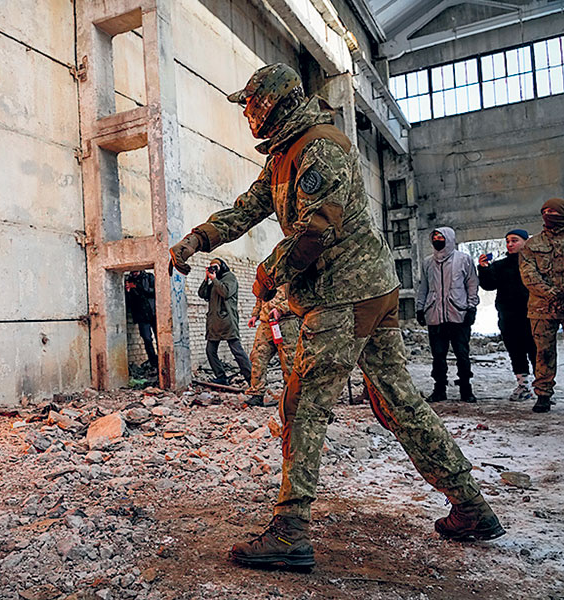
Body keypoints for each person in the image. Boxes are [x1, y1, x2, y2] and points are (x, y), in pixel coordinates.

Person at [168, 63, 502, 571]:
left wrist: (267, 273)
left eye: (250, 105)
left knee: (303, 405)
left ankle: (290, 531)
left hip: (344, 295)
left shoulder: (320, 147)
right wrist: (198, 238)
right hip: (367, 291)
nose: (246, 114)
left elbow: (315, 231)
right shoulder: (286, 154)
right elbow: (249, 207)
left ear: (270, 105)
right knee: (399, 403)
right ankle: (471, 506)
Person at [519, 198, 564, 413]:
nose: (548, 215)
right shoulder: (532, 244)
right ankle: (543, 394)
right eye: (545, 211)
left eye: (553, 211)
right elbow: (528, 275)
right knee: (544, 353)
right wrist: (550, 293)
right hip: (541, 307)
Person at [414, 227, 480, 403]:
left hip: (458, 314)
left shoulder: (464, 259)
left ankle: (466, 388)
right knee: (438, 355)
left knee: (462, 353)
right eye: (435, 237)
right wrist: (420, 308)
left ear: (449, 239)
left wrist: (471, 307)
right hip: (435, 315)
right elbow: (424, 287)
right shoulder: (428, 262)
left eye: (440, 237)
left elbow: (472, 284)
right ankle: (439, 389)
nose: (437, 240)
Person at [478, 229, 536, 402]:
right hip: (509, 317)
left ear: (525, 242)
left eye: (514, 240)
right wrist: (484, 269)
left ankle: (543, 389)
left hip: (533, 316)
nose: (510, 244)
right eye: (508, 241)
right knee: (516, 352)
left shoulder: (535, 262)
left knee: (537, 352)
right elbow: (488, 285)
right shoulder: (500, 265)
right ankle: (523, 385)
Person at [198, 258, 252, 386]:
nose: (213, 269)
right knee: (210, 350)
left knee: (237, 350)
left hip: (227, 321)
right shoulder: (215, 280)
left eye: (215, 266)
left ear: (222, 266)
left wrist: (214, 279)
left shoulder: (230, 278)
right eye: (211, 267)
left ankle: (251, 378)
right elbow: (202, 294)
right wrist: (206, 279)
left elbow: (225, 292)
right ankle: (221, 376)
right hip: (214, 322)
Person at [245, 284, 300, 406]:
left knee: (289, 361)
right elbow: (260, 297)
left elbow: (299, 298)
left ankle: (290, 396)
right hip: (266, 324)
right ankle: (257, 393)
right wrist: (255, 315)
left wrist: (281, 309)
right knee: (257, 357)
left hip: (287, 323)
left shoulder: (291, 276)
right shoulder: (266, 278)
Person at [124, 270, 158, 371]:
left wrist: (140, 287)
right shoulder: (129, 280)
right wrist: (128, 291)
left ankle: (162, 360)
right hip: (141, 315)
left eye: (136, 271)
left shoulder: (149, 276)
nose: (134, 273)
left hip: (153, 313)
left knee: (159, 338)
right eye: (132, 272)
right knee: (147, 339)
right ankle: (154, 362)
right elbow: (129, 301)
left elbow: (155, 291)